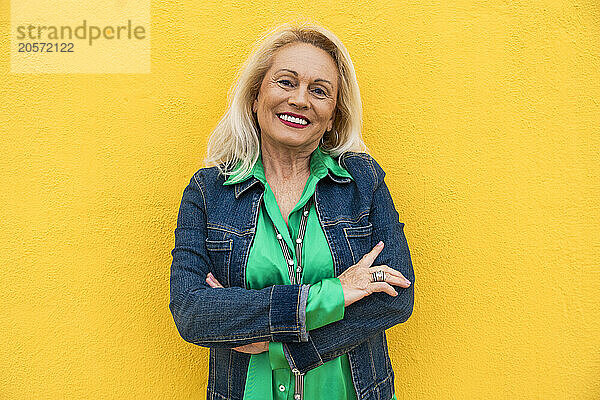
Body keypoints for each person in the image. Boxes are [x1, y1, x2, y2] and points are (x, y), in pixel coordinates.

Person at [169, 21, 415, 400]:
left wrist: (277, 345)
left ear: (333, 115)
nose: (300, 99)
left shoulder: (362, 182)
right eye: (286, 82)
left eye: (319, 91)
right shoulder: (208, 191)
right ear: (255, 97)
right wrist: (335, 293)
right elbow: (192, 312)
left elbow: (395, 296)